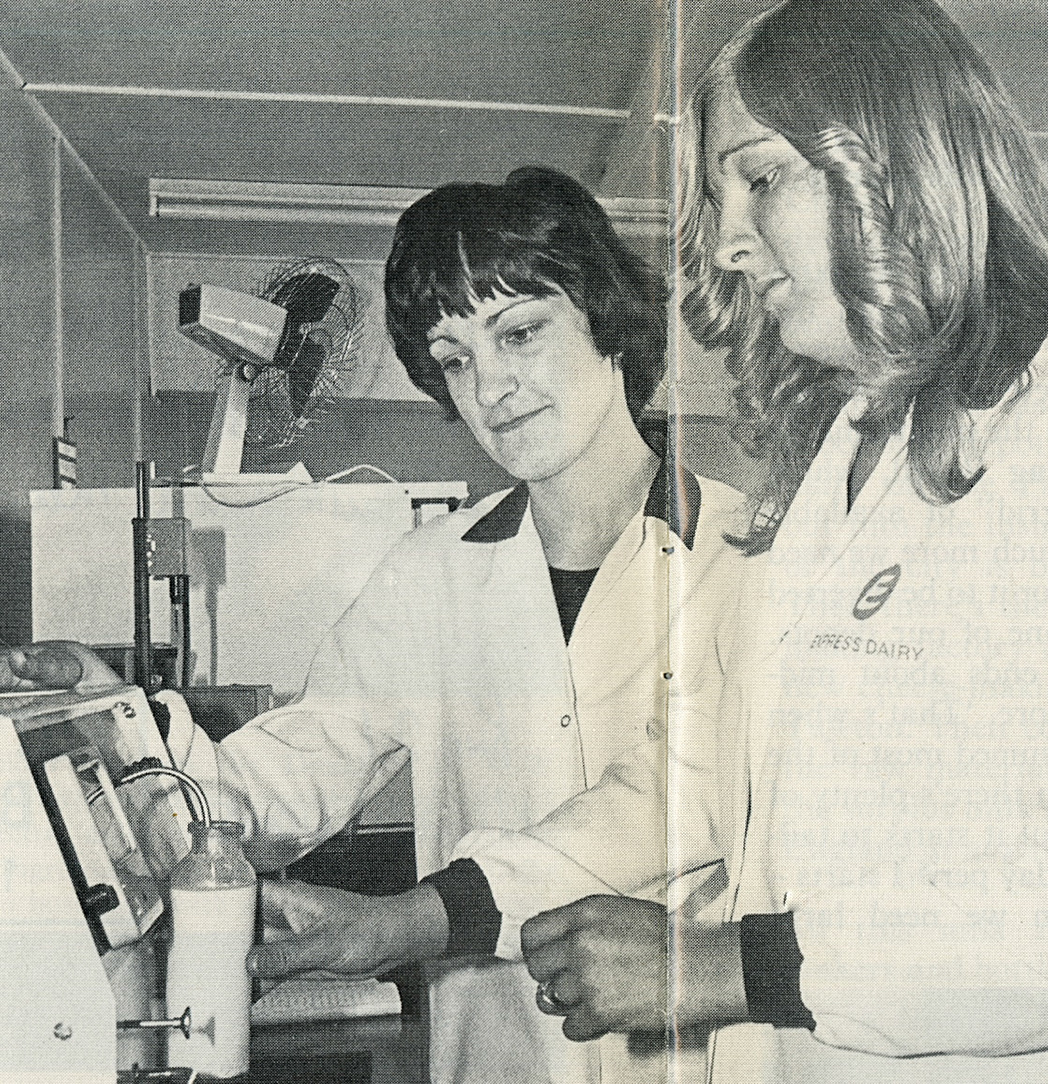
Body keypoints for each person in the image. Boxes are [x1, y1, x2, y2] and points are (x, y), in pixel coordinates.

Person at [512, 2, 1048, 1080]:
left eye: (759, 179)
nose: (722, 239)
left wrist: (733, 968)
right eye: (720, 198)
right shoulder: (851, 447)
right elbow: (719, 785)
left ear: (897, 160)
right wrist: (447, 908)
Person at [8, 166, 745, 1084]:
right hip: (496, 1053)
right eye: (454, 359)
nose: (491, 387)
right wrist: (125, 730)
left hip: (691, 1060)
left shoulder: (750, 557)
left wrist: (418, 916)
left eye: (519, 332)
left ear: (607, 323)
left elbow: (683, 798)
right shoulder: (430, 569)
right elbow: (300, 763)